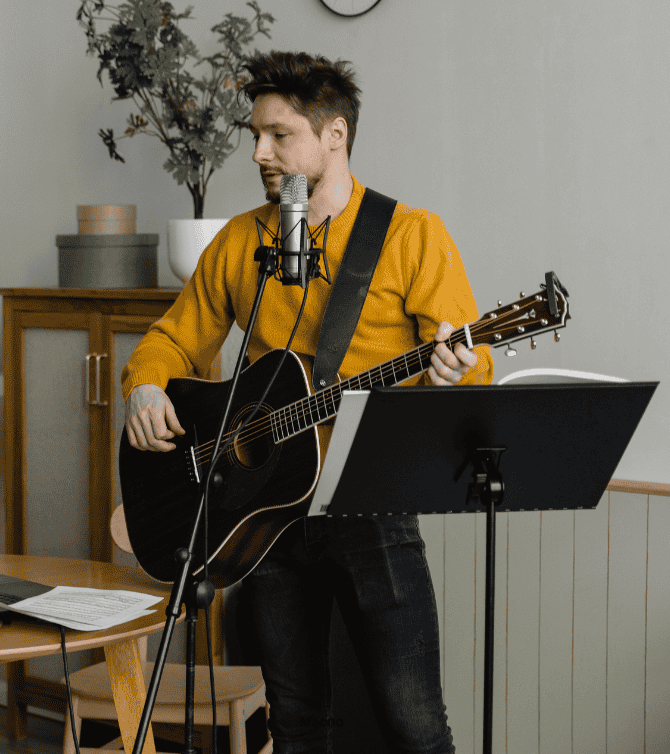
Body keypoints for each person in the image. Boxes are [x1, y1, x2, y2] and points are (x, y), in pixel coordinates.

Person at [121, 51, 493, 754]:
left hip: (370, 502)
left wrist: (456, 370)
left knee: (415, 723)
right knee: (294, 722)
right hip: (263, 514)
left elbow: (471, 369)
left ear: (334, 137)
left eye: (278, 135)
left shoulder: (413, 236)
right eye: (254, 134)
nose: (258, 152)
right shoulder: (242, 241)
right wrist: (144, 383)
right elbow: (171, 341)